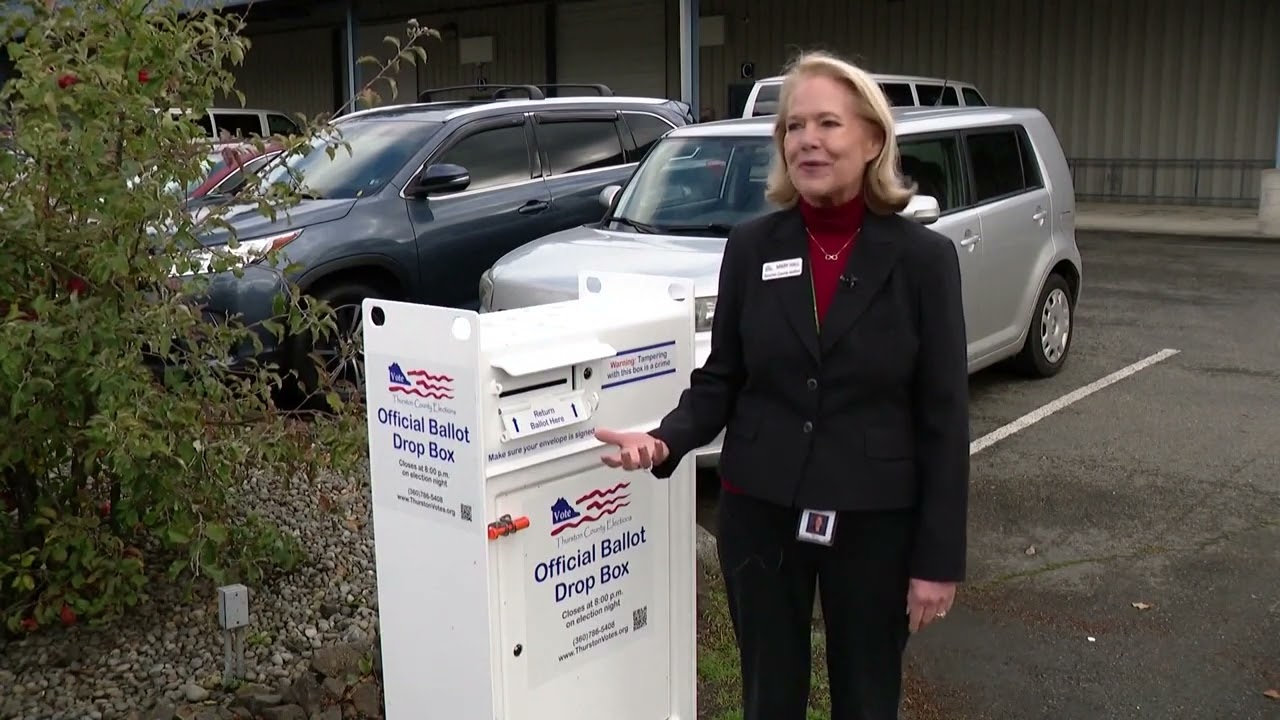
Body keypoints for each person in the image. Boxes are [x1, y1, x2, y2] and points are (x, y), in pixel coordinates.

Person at [594, 49, 970, 720]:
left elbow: (944, 419)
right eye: (794, 127)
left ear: (872, 139)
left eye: (828, 123)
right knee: (770, 696)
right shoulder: (753, 246)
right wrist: (663, 440)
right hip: (760, 509)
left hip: (874, 519)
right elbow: (723, 379)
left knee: (867, 694)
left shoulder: (924, 261)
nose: (807, 140)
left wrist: (937, 558)